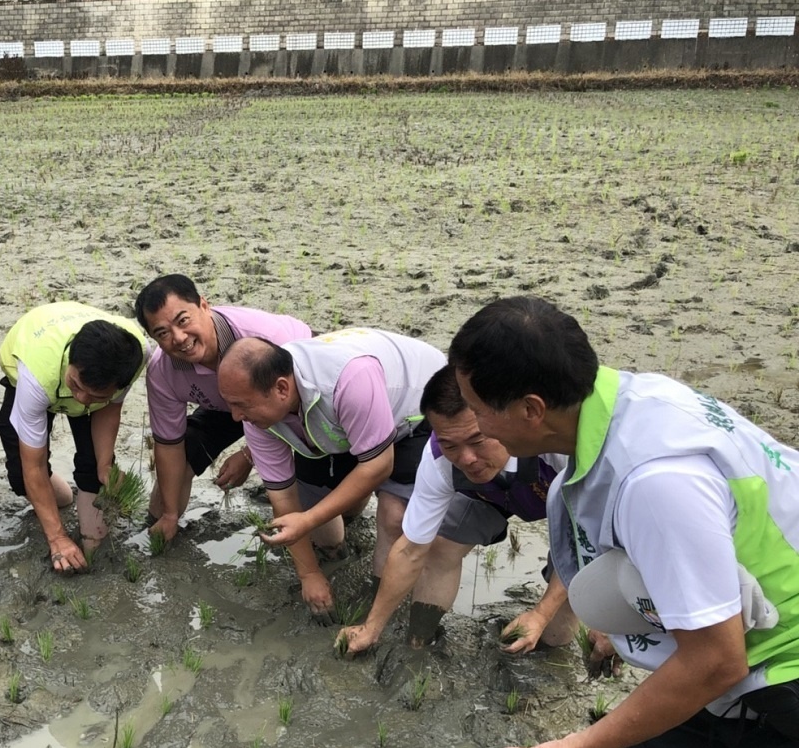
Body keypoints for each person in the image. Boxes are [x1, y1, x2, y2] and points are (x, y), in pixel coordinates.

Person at [450, 296, 799, 748]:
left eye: (480, 410)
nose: (475, 426)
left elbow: (716, 658)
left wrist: (579, 747)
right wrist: (630, 625)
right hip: (732, 648)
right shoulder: (618, 403)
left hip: (780, 665)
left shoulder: (656, 479)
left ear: (533, 409)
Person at [217, 329, 492, 615]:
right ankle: (342, 546)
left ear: (282, 389)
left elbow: (377, 466)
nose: (236, 417)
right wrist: (309, 575)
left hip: (413, 413)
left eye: (242, 405)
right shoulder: (256, 414)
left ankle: (382, 606)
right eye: (231, 404)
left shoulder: (349, 379)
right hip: (331, 426)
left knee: (393, 516)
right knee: (324, 536)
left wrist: (308, 519)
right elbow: (283, 498)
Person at [338, 364, 576, 652]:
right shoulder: (438, 460)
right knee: (440, 544)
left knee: (557, 627)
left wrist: (540, 614)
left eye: (478, 440)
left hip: (570, 509)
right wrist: (370, 628)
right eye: (450, 444)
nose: (467, 459)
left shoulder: (562, 449)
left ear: (502, 417)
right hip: (490, 495)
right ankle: (419, 643)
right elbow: (410, 550)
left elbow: (584, 544)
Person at [134, 273, 311, 541]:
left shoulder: (269, 339)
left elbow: (288, 401)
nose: (179, 338)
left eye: (183, 321)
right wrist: (169, 514)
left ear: (205, 306)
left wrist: (250, 455)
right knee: (165, 499)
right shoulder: (162, 372)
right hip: (223, 405)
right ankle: (164, 527)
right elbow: (169, 445)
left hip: (288, 399)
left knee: (325, 514)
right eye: (163, 333)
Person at [0, 302, 149, 573]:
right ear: (71, 362)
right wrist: (57, 538)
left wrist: (104, 465)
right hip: (38, 369)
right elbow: (34, 464)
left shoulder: (134, 355)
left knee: (94, 465)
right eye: (76, 386)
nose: (81, 400)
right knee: (21, 474)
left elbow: (110, 409)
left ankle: (90, 541)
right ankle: (63, 499)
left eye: (95, 395)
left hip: (84, 378)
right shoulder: (37, 376)